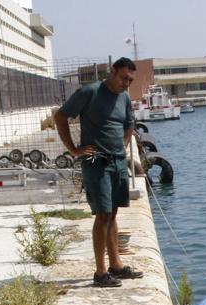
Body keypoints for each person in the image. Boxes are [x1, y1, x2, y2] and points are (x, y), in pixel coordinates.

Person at [53, 57, 144, 288]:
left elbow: (129, 123)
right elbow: (60, 116)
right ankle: (100, 272)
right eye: (124, 78)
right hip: (95, 161)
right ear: (112, 71)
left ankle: (116, 265)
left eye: (130, 80)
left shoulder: (123, 96)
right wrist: (74, 149)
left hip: (117, 161)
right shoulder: (90, 92)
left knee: (113, 213)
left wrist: (123, 145)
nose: (126, 83)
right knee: (102, 214)